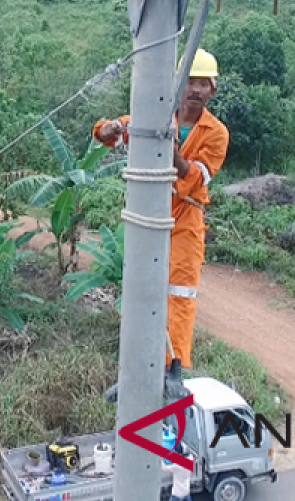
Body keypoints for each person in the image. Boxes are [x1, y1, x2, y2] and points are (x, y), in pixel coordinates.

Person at [94, 48, 229, 390]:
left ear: (213, 89)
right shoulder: (156, 114)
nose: (196, 90)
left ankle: (174, 367)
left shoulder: (216, 133)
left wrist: (170, 151)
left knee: (179, 291)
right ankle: (133, 368)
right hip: (149, 210)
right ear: (179, 84)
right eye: (191, 82)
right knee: (140, 289)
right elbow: (111, 131)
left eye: (203, 84)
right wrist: (110, 129)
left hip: (186, 216)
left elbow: (197, 176)